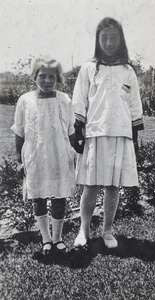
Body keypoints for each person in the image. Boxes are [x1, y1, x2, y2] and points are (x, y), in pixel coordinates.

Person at [72, 17, 144, 249]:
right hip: (95, 132)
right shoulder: (89, 68)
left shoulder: (127, 71)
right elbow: (80, 100)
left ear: (121, 40)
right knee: (91, 185)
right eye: (105, 38)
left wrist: (134, 136)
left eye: (114, 38)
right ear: (97, 40)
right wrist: (78, 129)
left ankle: (107, 230)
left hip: (120, 134)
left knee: (113, 186)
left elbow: (134, 105)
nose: (109, 42)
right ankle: (83, 231)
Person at [11, 56, 76, 255]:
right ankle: (46, 239)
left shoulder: (64, 100)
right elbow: (19, 131)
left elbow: (71, 130)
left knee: (59, 197)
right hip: (35, 156)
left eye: (52, 77)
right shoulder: (25, 100)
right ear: (34, 77)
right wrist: (19, 161)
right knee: (38, 197)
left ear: (58, 79)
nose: (47, 80)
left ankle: (57, 239)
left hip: (59, 155)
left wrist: (73, 155)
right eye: (42, 76)